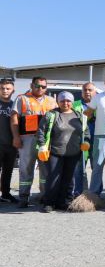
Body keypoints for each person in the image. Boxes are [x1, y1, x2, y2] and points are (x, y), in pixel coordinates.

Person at [37, 91, 90, 212]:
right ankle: (49, 203)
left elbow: (86, 132)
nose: (65, 103)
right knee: (53, 178)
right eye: (62, 100)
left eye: (68, 101)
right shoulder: (51, 115)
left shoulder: (80, 116)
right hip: (55, 152)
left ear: (72, 102)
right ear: (58, 102)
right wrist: (42, 146)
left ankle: (64, 202)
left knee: (69, 179)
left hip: (74, 153)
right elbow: (41, 131)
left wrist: (86, 141)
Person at [11, 76, 57, 207]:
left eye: (43, 86)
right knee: (25, 168)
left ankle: (44, 197)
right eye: (37, 86)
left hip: (45, 141)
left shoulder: (51, 101)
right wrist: (16, 137)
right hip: (27, 139)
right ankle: (24, 198)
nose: (40, 88)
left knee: (45, 170)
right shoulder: (22, 98)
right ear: (32, 85)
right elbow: (14, 118)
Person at [72, 82, 96, 197]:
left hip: (96, 141)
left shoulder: (99, 104)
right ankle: (78, 193)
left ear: (95, 92)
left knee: (96, 168)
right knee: (79, 169)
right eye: (85, 90)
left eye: (90, 90)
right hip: (79, 142)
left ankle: (95, 193)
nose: (87, 92)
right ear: (81, 92)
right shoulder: (74, 104)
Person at [0, 79, 17, 203]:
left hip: (11, 145)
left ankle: (5, 194)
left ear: (13, 90)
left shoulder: (14, 106)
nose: (5, 90)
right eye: (2, 88)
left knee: (8, 171)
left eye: (8, 88)